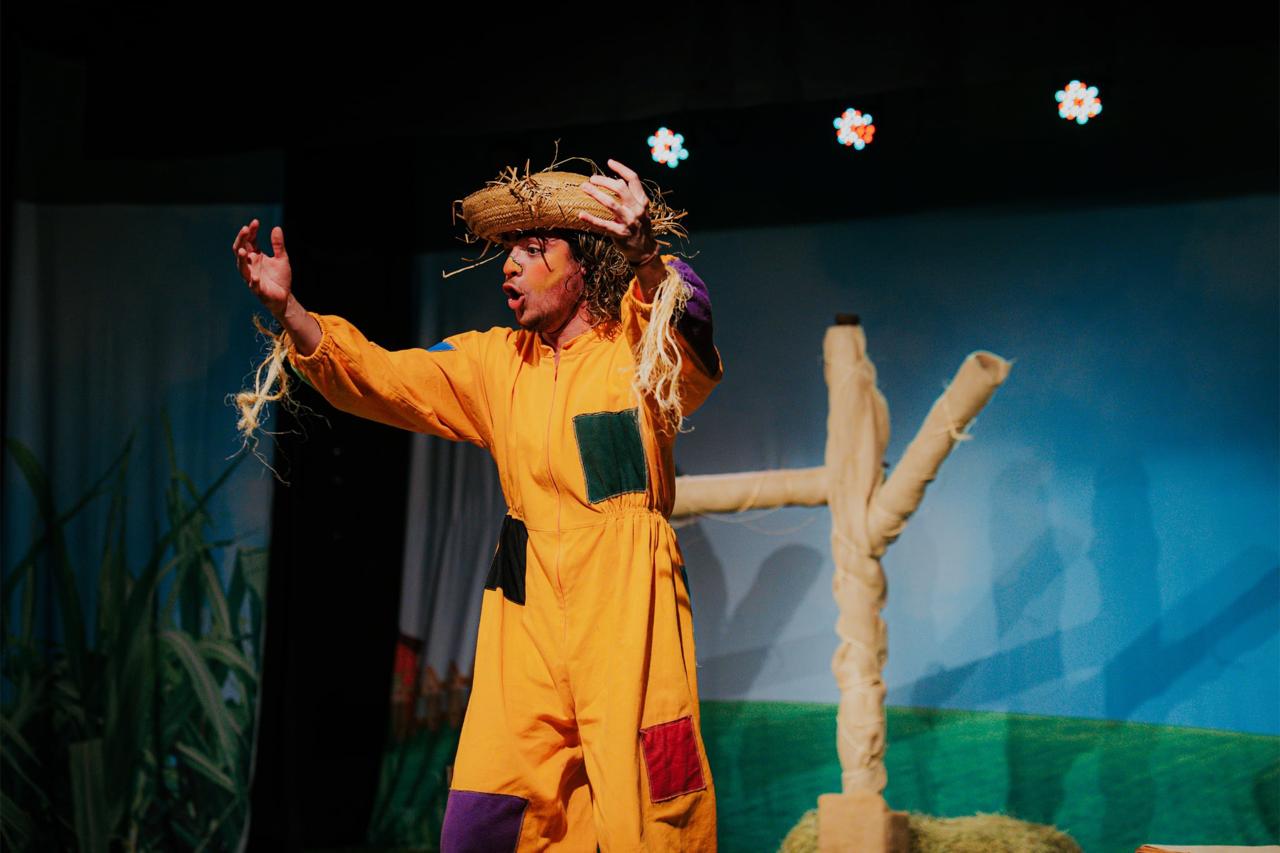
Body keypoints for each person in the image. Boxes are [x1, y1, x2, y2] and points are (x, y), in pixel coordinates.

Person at [233, 158, 722, 851]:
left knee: (649, 808)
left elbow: (684, 330)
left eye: (534, 250)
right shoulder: (495, 362)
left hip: (627, 600)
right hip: (525, 607)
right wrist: (290, 310)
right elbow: (383, 376)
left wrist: (645, 254)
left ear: (584, 265)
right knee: (492, 810)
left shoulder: (634, 348)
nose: (510, 267)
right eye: (508, 252)